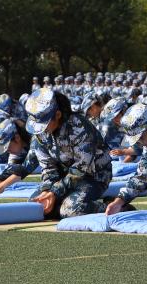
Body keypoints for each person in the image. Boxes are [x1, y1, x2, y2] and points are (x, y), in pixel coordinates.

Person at [25, 88, 112, 218]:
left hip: (93, 177)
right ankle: (60, 207)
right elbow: (48, 167)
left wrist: (55, 192)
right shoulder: (40, 133)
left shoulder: (79, 127)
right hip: (64, 178)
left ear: (57, 115)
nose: (40, 129)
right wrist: (47, 190)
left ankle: (113, 206)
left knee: (71, 210)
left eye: (44, 123)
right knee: (36, 206)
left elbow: (81, 169)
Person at [0, 119, 39, 197]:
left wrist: (1, 186)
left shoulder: (36, 140)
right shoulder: (19, 144)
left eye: (8, 146)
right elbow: (11, 169)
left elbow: (25, 168)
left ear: (17, 138)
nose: (7, 151)